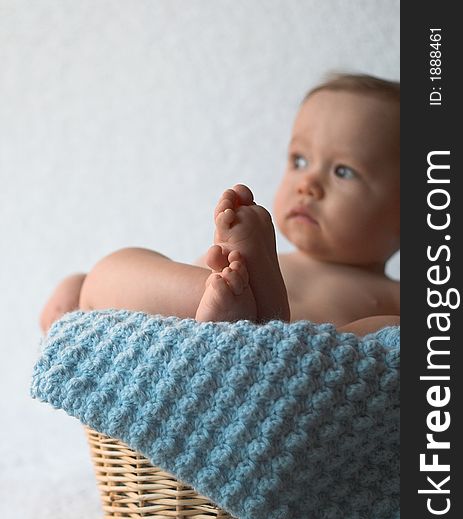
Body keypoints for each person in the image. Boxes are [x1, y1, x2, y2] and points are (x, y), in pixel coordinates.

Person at [40, 73, 400, 336]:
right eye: (300, 161)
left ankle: (264, 319)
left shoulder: (394, 298)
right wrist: (82, 288)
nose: (308, 184)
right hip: (199, 322)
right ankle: (221, 293)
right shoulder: (256, 258)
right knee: (111, 270)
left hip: (286, 361)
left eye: (343, 171)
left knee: (388, 332)